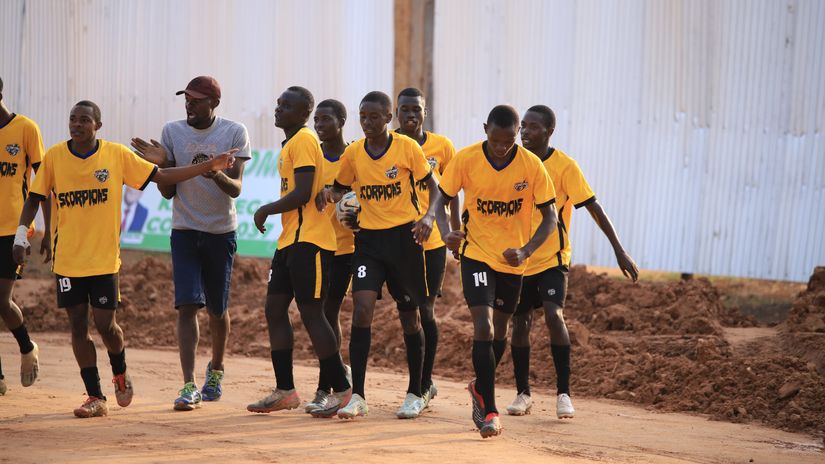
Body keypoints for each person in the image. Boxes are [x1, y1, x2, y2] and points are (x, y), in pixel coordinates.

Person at [13, 100, 237, 417]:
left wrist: (207, 166)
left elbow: (161, 176)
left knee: (108, 327)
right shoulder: (54, 157)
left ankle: (120, 371)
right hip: (67, 261)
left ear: (98, 126)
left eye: (85, 120)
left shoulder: (115, 155)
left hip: (104, 260)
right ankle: (95, 396)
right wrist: (22, 236)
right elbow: (34, 197)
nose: (77, 125)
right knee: (77, 327)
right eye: (73, 119)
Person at [316, 91, 448, 420]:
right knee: (361, 309)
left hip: (405, 241)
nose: (368, 123)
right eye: (363, 117)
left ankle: (416, 391)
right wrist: (331, 197)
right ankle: (358, 395)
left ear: (389, 118)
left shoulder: (407, 148)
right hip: (369, 243)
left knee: (409, 316)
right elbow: (342, 188)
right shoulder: (354, 153)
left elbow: (435, 188)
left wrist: (429, 217)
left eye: (375, 117)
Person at [430, 105, 558, 438]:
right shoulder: (466, 158)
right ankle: (490, 410)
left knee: (501, 330)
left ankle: (478, 386)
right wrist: (446, 232)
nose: (501, 147)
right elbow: (440, 200)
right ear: (485, 129)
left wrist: (527, 250)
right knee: (484, 326)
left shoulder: (531, 166)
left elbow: (550, 219)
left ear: (517, 135)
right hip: (476, 253)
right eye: (495, 139)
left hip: (513, 260)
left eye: (509, 140)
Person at [506, 105, 639, 418]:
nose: (525, 132)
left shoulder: (565, 167)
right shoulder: (514, 162)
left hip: (553, 257)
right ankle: (523, 394)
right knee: (520, 322)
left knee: (554, 315)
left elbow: (594, 207)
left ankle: (563, 393)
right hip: (519, 259)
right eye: (523, 126)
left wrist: (618, 249)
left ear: (549, 131)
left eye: (533, 127)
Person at [131, 76, 251, 411]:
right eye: (186, 99)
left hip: (220, 232)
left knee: (217, 309)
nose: (189, 105)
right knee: (186, 306)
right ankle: (188, 384)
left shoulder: (234, 132)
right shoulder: (172, 132)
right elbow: (168, 191)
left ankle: (217, 368)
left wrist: (216, 173)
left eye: (197, 100)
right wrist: (163, 165)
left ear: (214, 103)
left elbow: (237, 189)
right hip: (183, 229)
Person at [245, 87, 352, 418]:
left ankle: (343, 389)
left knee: (312, 313)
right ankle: (285, 390)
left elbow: (304, 193)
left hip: (311, 241)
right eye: (278, 103)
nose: (278, 109)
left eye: (286, 105)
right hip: (289, 241)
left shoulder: (305, 140)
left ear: (303, 112)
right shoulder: (291, 144)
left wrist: (266, 209)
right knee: (274, 310)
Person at [389, 88, 460, 408]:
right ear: (397, 113)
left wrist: (455, 231)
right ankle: (420, 381)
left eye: (416, 109)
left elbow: (453, 189)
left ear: (424, 113)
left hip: (431, 243)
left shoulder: (442, 147)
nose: (410, 115)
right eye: (404, 109)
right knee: (406, 316)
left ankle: (422, 383)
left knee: (426, 309)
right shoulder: (387, 144)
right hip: (397, 242)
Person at [303, 98, 355, 414]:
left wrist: (352, 207)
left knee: (328, 313)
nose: (319, 126)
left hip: (346, 249)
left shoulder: (354, 156)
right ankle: (335, 380)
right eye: (316, 121)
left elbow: (364, 197)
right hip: (317, 246)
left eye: (325, 120)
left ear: (341, 121)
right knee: (321, 314)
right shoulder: (315, 157)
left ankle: (328, 387)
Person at [0, 76, 46, 395]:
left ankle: (28, 348)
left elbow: (42, 185)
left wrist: (46, 230)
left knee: (2, 302)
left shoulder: (26, 129)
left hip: (11, 231)